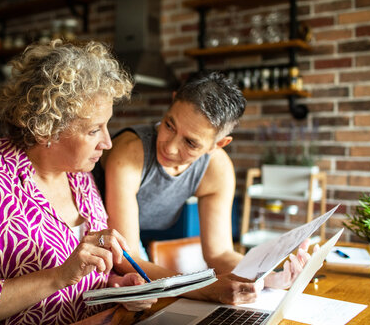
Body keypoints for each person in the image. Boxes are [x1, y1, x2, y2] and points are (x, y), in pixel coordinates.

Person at [0, 40, 155, 325]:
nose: (107, 142)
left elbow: (77, 282)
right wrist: (58, 276)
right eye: (94, 129)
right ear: (47, 127)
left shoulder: (80, 177)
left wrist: (115, 288)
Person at [93, 71, 312, 305]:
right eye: (169, 125)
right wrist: (205, 288)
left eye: (190, 142)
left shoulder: (216, 169)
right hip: (90, 245)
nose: (170, 147)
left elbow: (219, 254)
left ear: (218, 144)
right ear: (173, 100)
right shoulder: (130, 154)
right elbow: (126, 258)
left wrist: (267, 277)